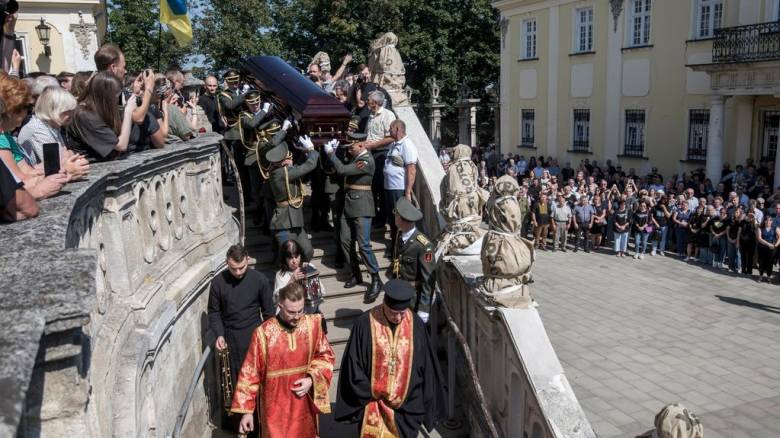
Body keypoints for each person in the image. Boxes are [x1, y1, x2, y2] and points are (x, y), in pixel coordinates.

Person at [335, 279, 442, 437]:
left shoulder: (416, 324)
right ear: (384, 304)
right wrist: (373, 391)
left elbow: (425, 366)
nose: (398, 318)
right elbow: (354, 365)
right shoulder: (364, 324)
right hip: (373, 402)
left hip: (407, 404)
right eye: (394, 312)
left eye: (402, 313)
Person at [231, 282, 335, 438]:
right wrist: (246, 412)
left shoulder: (313, 325)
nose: (297, 316)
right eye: (291, 312)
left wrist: (311, 379)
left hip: (303, 405)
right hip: (274, 410)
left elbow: (326, 356)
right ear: (280, 305)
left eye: (301, 310)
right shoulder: (263, 334)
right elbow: (250, 373)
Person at [208, 244, 275, 422]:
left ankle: (260, 421)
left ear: (248, 260)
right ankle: (238, 424)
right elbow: (214, 312)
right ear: (226, 263)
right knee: (235, 384)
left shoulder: (260, 280)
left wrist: (269, 340)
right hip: (230, 338)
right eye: (233, 268)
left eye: (241, 267)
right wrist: (219, 334)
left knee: (257, 381)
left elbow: (269, 313)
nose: (237, 272)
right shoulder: (217, 283)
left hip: (255, 337)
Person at [323, 134, 383, 302]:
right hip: (348, 204)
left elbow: (342, 170)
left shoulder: (365, 161)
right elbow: (337, 170)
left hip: (362, 205)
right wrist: (332, 155)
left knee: (363, 245)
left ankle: (376, 278)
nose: (349, 150)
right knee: (344, 240)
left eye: (352, 147)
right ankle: (356, 273)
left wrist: (331, 154)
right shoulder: (356, 157)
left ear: (361, 145)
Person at [0, 74, 68, 199]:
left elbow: (26, 173)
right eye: (25, 107)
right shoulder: (1, 138)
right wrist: (66, 173)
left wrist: (57, 175)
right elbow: (19, 183)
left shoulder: (6, 134)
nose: (27, 112)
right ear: (10, 109)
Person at [16, 86, 89, 180]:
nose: (71, 115)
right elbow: (55, 166)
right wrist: (68, 157)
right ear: (52, 109)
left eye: (72, 111)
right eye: (67, 111)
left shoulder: (52, 126)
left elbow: (68, 158)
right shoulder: (37, 129)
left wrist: (68, 157)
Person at [267, 135, 318, 262]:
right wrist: (311, 149)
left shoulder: (280, 170)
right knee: (289, 257)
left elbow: (296, 169)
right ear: (282, 160)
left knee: (307, 251)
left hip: (294, 220)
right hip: (284, 222)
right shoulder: (281, 173)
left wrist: (303, 153)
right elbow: (309, 166)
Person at [67, 71, 137, 161]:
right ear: (106, 96)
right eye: (116, 96)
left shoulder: (95, 109)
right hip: (91, 168)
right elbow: (121, 145)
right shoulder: (85, 115)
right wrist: (128, 111)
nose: (116, 101)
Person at [387, 198, 435, 321]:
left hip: (413, 299)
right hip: (398, 292)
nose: (395, 217)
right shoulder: (400, 234)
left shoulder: (423, 246)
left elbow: (428, 280)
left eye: (396, 215)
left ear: (401, 220)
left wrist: (424, 309)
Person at [359, 91, 396, 228]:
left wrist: (374, 145)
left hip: (382, 154)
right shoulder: (370, 115)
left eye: (368, 99)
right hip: (370, 153)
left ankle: (382, 218)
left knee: (381, 187)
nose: (366, 101)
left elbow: (392, 137)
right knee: (372, 186)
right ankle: (374, 216)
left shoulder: (388, 115)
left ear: (375, 102)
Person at [273, 239, 326, 332]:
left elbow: (322, 291)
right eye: (290, 258)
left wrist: (312, 280)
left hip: (311, 316)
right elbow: (277, 298)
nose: (294, 261)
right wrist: (291, 280)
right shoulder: (281, 275)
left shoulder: (309, 267)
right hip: (292, 321)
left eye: (296, 256)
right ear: (285, 259)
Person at [384, 119, 418, 251]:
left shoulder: (407, 145)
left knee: (399, 221)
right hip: (390, 187)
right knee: (393, 221)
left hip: (399, 188)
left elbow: (411, 169)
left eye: (391, 128)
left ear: (398, 129)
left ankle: (400, 249)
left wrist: (408, 191)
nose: (389, 131)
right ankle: (394, 247)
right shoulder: (394, 144)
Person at [755, 215, 778, 282]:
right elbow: (759, 238)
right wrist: (768, 244)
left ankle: (769, 276)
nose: (768, 221)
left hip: (772, 249)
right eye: (766, 220)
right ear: (764, 221)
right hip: (762, 248)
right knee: (761, 262)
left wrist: (775, 245)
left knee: (770, 263)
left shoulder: (775, 228)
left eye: (770, 220)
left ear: (772, 221)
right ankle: (760, 276)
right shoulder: (760, 228)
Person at [740, 211, 757, 276]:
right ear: (747, 215)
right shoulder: (743, 221)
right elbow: (739, 231)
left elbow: (756, 230)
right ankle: (743, 270)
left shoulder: (754, 222)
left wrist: (754, 220)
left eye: (752, 215)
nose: (750, 216)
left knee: (750, 257)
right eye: (749, 215)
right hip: (743, 241)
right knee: (743, 257)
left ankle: (749, 271)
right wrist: (741, 238)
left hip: (751, 242)